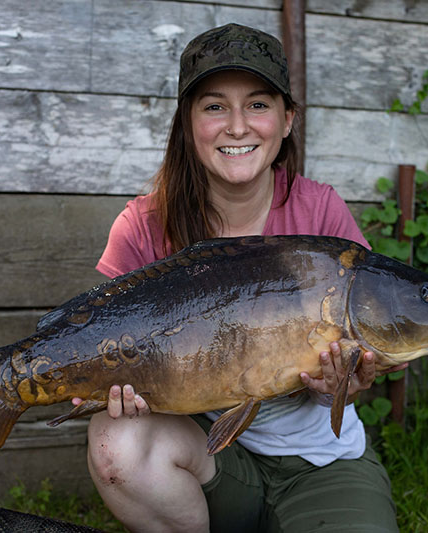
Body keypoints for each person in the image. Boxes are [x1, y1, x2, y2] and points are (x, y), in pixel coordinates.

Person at [79, 23, 405, 533]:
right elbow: (92, 338)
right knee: (114, 437)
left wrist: (346, 380)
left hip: (319, 463)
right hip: (208, 461)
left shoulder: (321, 211)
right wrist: (105, 384)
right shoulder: (142, 225)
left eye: (257, 104)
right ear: (188, 123)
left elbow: (355, 354)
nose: (237, 126)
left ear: (287, 118)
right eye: (214, 107)